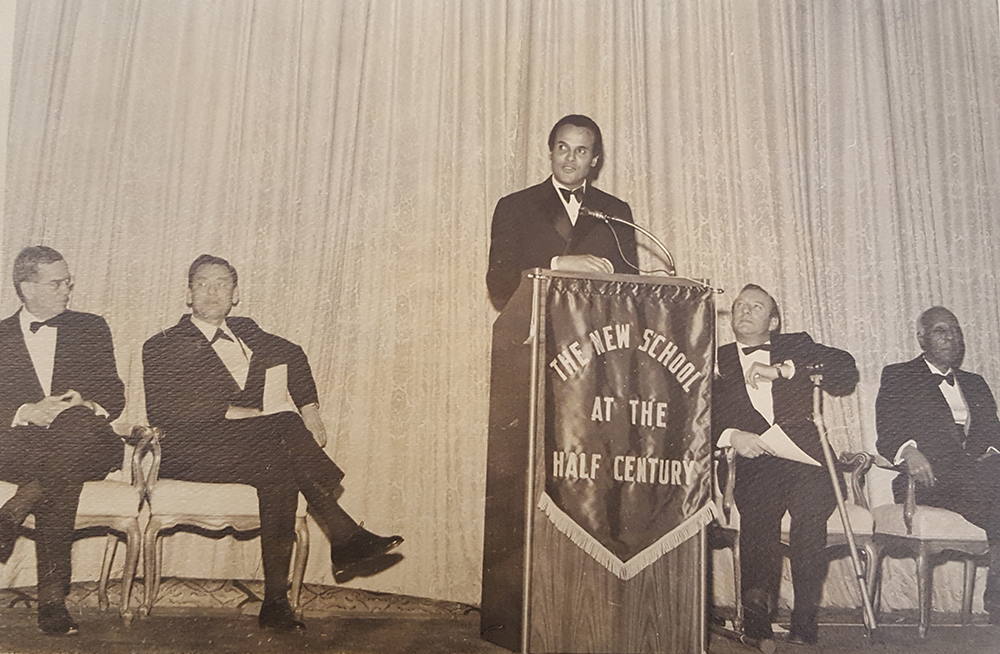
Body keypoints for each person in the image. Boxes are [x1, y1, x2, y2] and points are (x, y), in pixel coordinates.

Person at [142, 254, 402, 633]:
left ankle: (276, 604)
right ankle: (343, 531)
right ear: (188, 294)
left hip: (254, 450)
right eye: (203, 283)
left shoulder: (250, 334)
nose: (213, 291)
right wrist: (244, 414)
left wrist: (311, 411)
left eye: (222, 283)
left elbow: (293, 356)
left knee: (278, 464)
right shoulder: (162, 344)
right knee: (280, 426)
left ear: (236, 294)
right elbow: (166, 409)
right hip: (191, 453)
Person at [712, 284, 858, 646]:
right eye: (739, 306)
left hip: (805, 459)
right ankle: (758, 617)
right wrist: (732, 436)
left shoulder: (797, 345)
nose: (744, 311)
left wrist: (784, 370)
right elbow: (697, 412)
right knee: (760, 512)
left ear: (774, 322)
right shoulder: (715, 357)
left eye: (756, 306)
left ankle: (805, 618)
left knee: (810, 513)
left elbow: (845, 370)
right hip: (753, 460)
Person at [0, 246, 125, 635]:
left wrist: (84, 403)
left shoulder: (91, 327)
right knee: (62, 473)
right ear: (27, 287)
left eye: (68, 282)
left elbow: (116, 396)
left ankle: (19, 504)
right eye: (57, 283)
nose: (67, 290)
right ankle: (53, 603)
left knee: (72, 432)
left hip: (85, 442)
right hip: (21, 448)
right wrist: (25, 412)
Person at [875, 306, 1000, 623]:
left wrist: (992, 451)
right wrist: (909, 452)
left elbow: (994, 432)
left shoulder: (975, 383)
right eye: (941, 330)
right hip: (927, 481)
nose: (951, 337)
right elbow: (887, 433)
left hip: (977, 477)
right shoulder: (899, 375)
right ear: (921, 337)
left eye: (955, 331)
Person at [486, 114, 639, 311]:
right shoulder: (514, 207)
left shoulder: (615, 210)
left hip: (595, 334)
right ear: (551, 153)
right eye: (562, 147)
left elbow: (632, 289)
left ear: (594, 160)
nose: (570, 158)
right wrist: (556, 264)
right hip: (535, 333)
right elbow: (499, 287)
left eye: (581, 151)